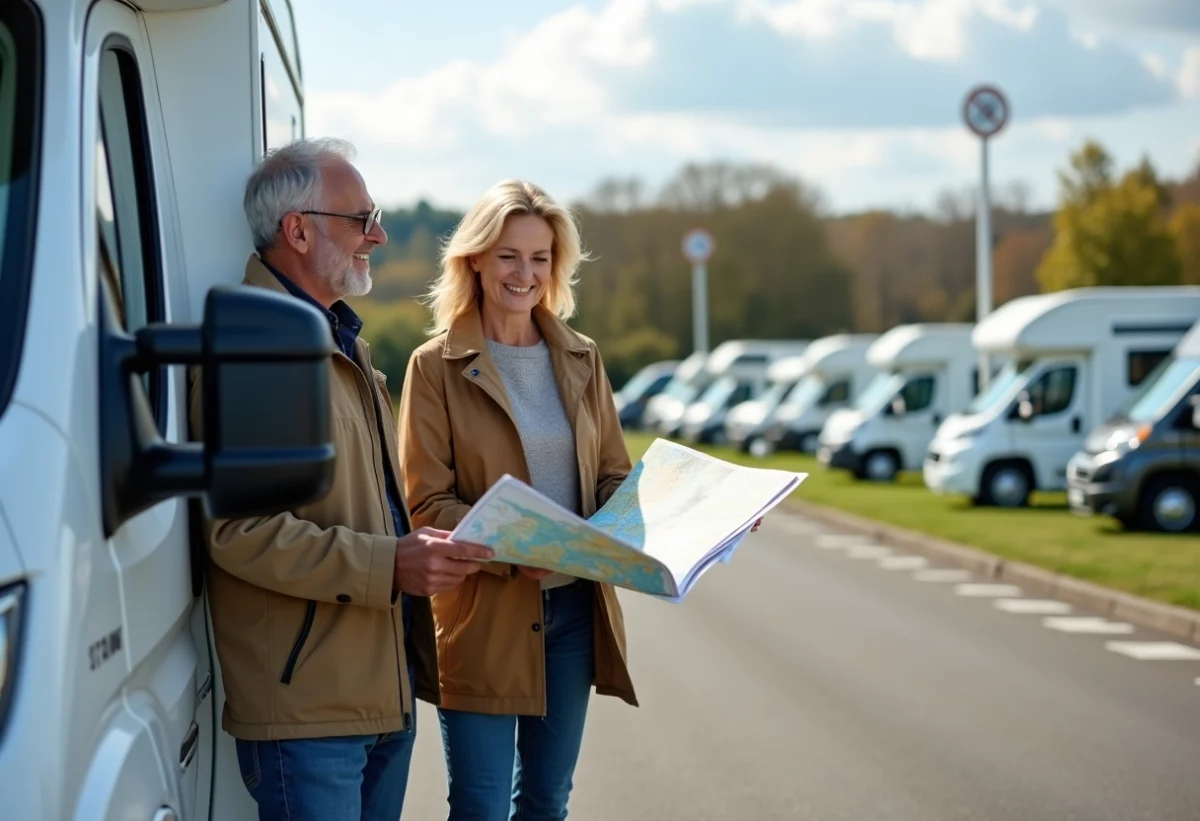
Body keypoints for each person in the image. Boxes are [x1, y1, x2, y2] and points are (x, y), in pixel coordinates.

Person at [188, 137, 494, 821]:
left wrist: (428, 541)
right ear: (297, 230)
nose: (378, 235)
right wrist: (392, 563)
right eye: (361, 219)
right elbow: (239, 533)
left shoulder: (339, 336)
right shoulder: (254, 348)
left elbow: (365, 502)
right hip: (310, 715)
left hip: (377, 696)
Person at [396, 180, 636, 821]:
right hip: (482, 617)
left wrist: (693, 520)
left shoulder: (583, 358)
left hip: (574, 614)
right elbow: (427, 504)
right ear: (474, 258)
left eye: (540, 258)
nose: (524, 274)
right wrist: (516, 551)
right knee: (479, 807)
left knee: (546, 801)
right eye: (508, 255)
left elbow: (615, 478)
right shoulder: (434, 367)